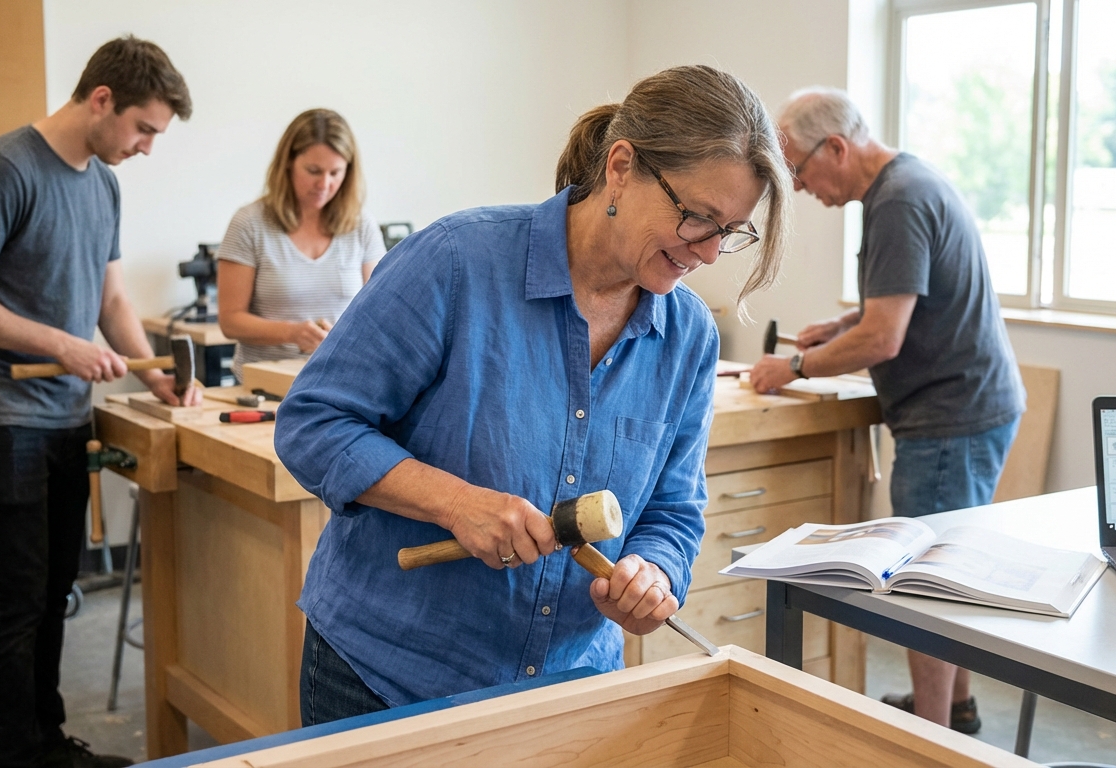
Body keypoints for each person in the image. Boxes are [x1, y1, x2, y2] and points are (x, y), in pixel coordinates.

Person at [275, 65, 791, 722]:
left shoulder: (688, 335)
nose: (711, 254)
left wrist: (655, 572)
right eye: (697, 217)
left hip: (566, 695)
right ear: (622, 167)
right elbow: (313, 424)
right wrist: (456, 504)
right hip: (391, 679)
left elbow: (672, 508)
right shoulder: (457, 262)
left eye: (732, 231)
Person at [0, 36, 197, 768]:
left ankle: (45, 744)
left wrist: (151, 372)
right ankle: (17, 758)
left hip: (61, 418)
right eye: (144, 129)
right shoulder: (3, 170)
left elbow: (110, 296)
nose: (145, 148)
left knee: (52, 589)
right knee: (15, 601)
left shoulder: (101, 183)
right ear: (101, 99)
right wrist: (63, 345)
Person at [749, 86, 1025, 734]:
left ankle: (928, 736)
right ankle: (954, 709)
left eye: (800, 169)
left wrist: (790, 366)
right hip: (975, 406)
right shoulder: (908, 182)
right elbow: (902, 304)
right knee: (948, 572)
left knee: (924, 584)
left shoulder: (898, 201)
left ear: (837, 147)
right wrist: (842, 324)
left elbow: (885, 339)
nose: (801, 186)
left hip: (949, 417)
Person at [216, 108, 385, 381]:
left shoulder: (361, 225)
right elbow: (230, 320)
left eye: (336, 173)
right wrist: (292, 333)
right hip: (265, 385)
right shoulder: (249, 224)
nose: (324, 184)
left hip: (340, 381)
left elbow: (379, 314)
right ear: (288, 163)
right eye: (313, 171)